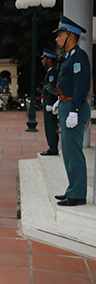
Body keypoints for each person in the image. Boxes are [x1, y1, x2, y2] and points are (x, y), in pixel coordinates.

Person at [52, 16, 91, 206]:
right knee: (67, 152)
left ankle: (78, 195)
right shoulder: (69, 57)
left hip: (75, 107)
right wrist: (62, 101)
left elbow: (81, 85)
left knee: (74, 152)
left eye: (60, 34)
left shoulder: (79, 56)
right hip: (67, 105)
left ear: (70, 35)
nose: (57, 39)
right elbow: (68, 84)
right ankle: (72, 190)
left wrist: (74, 109)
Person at [40, 49, 59, 156]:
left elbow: (52, 88)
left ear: (49, 59)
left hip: (50, 103)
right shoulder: (50, 71)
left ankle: (53, 148)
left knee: (51, 126)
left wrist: (51, 102)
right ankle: (52, 147)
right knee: (49, 126)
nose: (43, 60)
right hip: (47, 100)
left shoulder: (53, 71)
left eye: (44, 58)